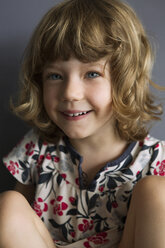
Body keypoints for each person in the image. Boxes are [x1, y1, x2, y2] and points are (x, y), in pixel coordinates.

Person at [0, 0, 165, 247]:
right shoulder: (37, 150)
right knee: (9, 204)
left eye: (92, 74)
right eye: (55, 75)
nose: (70, 93)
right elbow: (17, 229)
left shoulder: (155, 160)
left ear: (125, 81)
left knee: (158, 191)